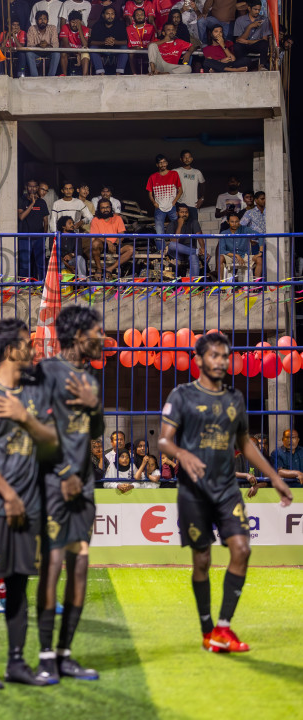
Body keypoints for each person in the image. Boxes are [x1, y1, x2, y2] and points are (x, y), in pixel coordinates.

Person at [158, 331, 291, 653]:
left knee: (242, 549)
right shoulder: (182, 394)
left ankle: (223, 628)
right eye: (214, 355)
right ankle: (208, 631)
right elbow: (164, 441)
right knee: (201, 559)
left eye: (224, 355)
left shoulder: (235, 398)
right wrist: (182, 453)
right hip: (193, 492)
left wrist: (273, 476)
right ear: (200, 359)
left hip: (227, 489)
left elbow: (244, 442)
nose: (220, 361)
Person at [0, 317, 58, 689]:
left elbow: (53, 441)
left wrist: (24, 418)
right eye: (27, 342)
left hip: (30, 506)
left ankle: (16, 663)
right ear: (9, 350)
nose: (33, 348)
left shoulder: (36, 392)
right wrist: (8, 495)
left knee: (19, 585)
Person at [34, 305, 105, 684]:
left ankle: (64, 655)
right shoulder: (46, 372)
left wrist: (94, 407)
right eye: (98, 331)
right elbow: (34, 428)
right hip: (52, 483)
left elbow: (95, 429)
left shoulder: (90, 378)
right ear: (79, 335)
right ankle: (45, 657)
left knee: (79, 567)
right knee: (54, 564)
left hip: (85, 486)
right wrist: (63, 472)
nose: (103, 338)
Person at [198, 0, 265, 45]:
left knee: (227, 45)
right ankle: (204, 44)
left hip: (228, 23)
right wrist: (203, 13)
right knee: (201, 21)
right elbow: (207, 6)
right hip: (215, 21)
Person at [88, 199, 133, 278]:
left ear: (111, 208)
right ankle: (99, 269)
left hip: (115, 244)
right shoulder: (95, 220)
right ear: (99, 209)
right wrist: (108, 242)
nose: (105, 210)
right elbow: (96, 235)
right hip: (102, 245)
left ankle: (110, 269)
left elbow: (121, 234)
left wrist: (115, 244)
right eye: (103, 208)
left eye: (107, 207)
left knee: (130, 249)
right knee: (95, 243)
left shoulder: (118, 218)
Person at [146, 154, 183, 243]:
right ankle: (161, 252)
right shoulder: (153, 177)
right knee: (159, 232)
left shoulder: (174, 174)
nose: (162, 165)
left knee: (177, 228)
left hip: (172, 207)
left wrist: (174, 202)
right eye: (160, 163)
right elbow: (150, 193)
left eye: (164, 162)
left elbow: (180, 190)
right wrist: (154, 203)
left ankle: (178, 250)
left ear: (167, 163)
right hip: (159, 208)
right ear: (157, 165)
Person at [17, 180, 49, 280]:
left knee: (40, 263)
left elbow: (46, 221)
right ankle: (24, 287)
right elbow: (21, 217)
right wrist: (32, 204)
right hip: (24, 237)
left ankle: (41, 285)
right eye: (30, 187)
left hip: (39, 237)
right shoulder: (21, 200)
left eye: (34, 187)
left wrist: (44, 236)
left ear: (37, 187)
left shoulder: (42, 202)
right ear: (26, 187)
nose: (32, 189)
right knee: (25, 264)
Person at [218, 213, 262, 279]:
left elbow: (261, 236)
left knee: (259, 259)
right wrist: (236, 255)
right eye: (232, 222)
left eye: (236, 222)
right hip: (230, 257)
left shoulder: (245, 230)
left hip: (244, 256)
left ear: (239, 221)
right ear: (228, 222)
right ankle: (220, 284)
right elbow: (222, 250)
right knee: (220, 257)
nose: (234, 224)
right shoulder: (224, 233)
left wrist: (261, 251)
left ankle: (255, 286)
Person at [166, 204, 205, 278]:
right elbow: (174, 241)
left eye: (186, 212)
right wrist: (180, 225)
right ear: (177, 213)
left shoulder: (193, 222)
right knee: (171, 245)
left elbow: (199, 236)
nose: (184, 214)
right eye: (182, 212)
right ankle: (195, 251)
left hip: (189, 250)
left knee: (194, 258)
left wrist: (203, 248)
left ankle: (193, 285)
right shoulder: (172, 224)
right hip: (177, 251)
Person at [89, 6, 128, 75]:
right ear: (103, 15)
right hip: (102, 50)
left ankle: (118, 74)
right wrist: (104, 42)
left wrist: (115, 42)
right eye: (108, 14)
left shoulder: (120, 25)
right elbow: (92, 42)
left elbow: (126, 41)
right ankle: (101, 73)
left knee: (124, 48)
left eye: (112, 14)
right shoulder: (97, 25)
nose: (110, 16)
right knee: (93, 48)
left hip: (116, 49)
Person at [26, 10, 59, 77]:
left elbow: (56, 44)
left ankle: (51, 77)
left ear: (48, 20)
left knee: (57, 54)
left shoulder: (52, 28)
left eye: (44, 19)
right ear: (36, 20)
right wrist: (38, 45)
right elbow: (29, 45)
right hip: (37, 53)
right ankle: (34, 77)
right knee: (29, 53)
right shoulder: (32, 28)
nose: (43, 21)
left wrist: (47, 45)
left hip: (49, 53)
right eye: (40, 19)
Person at [58, 10, 90, 76]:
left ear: (80, 22)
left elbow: (85, 45)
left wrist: (80, 29)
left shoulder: (85, 29)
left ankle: (85, 77)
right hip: (70, 50)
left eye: (77, 22)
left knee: (85, 54)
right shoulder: (65, 27)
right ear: (69, 22)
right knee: (63, 52)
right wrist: (76, 54)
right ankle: (64, 75)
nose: (75, 25)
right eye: (73, 22)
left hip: (81, 51)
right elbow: (66, 45)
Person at [176, 151, 205, 221]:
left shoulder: (197, 172)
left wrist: (202, 199)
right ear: (181, 159)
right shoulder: (176, 171)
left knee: (193, 228)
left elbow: (203, 185)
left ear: (191, 159)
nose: (187, 159)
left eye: (188, 157)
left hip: (193, 205)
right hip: (180, 205)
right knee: (181, 227)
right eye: (185, 157)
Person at [126, 7, 155, 75]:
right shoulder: (128, 28)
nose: (140, 17)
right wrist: (134, 48)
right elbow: (128, 44)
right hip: (134, 50)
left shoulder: (151, 27)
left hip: (147, 50)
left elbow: (153, 42)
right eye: (137, 15)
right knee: (130, 53)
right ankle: (134, 74)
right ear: (133, 18)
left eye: (142, 15)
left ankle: (152, 72)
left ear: (145, 17)